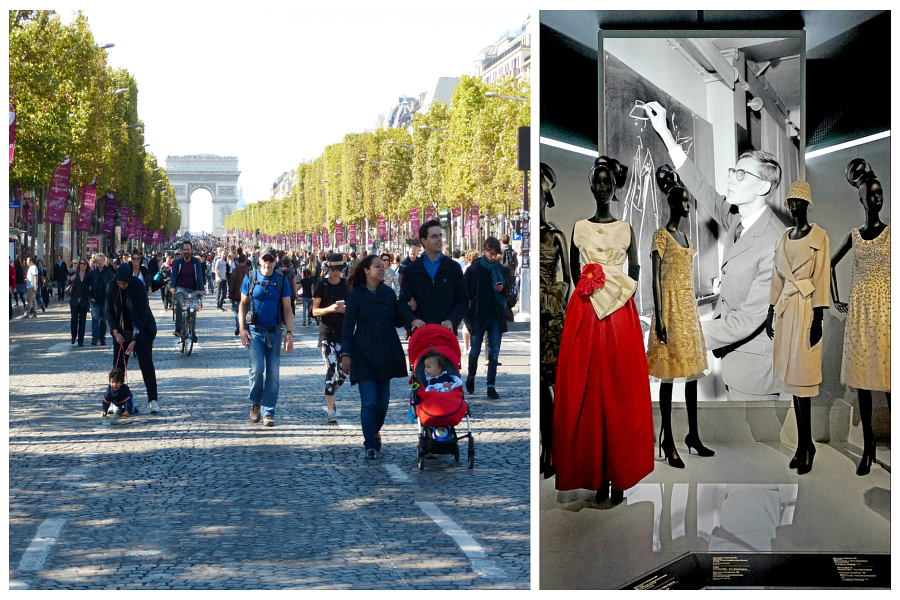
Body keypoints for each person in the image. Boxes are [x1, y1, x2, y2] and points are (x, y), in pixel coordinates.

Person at [644, 100, 784, 402]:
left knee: (755, 447)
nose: (731, 177)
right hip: (733, 359)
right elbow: (703, 189)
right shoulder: (738, 219)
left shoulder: (776, 242)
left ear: (763, 188)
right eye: (734, 171)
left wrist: (685, 333)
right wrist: (665, 133)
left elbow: (748, 319)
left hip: (754, 369)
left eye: (741, 175)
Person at [553, 156, 654, 504]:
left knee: (620, 391)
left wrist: (624, 292)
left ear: (614, 187)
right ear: (591, 185)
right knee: (588, 391)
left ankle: (619, 475)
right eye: (596, 181)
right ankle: (596, 474)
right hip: (584, 313)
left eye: (606, 182)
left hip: (619, 315)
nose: (601, 187)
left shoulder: (625, 228)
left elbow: (637, 266)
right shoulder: (579, 226)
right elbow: (572, 270)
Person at [647, 166, 713, 469]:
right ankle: (668, 439)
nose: (688, 206)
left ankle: (694, 436)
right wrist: (659, 317)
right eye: (684, 201)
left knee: (690, 374)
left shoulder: (685, 236)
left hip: (688, 309)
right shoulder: (660, 236)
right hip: (670, 309)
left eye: (688, 201)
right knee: (669, 374)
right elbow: (655, 279)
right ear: (674, 203)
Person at [831, 158, 890, 476]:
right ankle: (867, 449)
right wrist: (837, 300)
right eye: (871, 194)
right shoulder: (855, 236)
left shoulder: (892, 235)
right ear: (861, 197)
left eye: (880, 194)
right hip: (862, 316)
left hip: (887, 316)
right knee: (865, 385)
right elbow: (829, 264)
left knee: (891, 383)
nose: (877, 199)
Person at [766, 180, 830, 476]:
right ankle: (805, 444)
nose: (792, 206)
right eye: (789, 201)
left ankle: (807, 445)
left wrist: (819, 318)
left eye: (797, 202)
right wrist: (770, 311)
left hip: (805, 310)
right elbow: (777, 279)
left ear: (807, 204)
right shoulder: (782, 239)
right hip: (786, 310)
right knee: (792, 378)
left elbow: (820, 278)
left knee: (803, 378)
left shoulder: (819, 237)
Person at [340, 254, 407, 459]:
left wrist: (407, 310)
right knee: (369, 401)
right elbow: (348, 325)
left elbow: (396, 321)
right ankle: (369, 443)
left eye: (383, 265)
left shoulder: (388, 293)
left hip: (386, 350)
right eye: (377, 266)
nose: (382, 268)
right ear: (366, 271)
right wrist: (345, 354)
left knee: (383, 403)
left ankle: (375, 430)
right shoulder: (356, 295)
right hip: (363, 351)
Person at [238, 245, 294, 427]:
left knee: (273, 374)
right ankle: (255, 403)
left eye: (271, 260)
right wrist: (242, 329)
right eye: (265, 259)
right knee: (256, 370)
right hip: (255, 332)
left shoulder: (281, 280)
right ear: (259, 260)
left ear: (275, 261)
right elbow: (242, 304)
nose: (268, 263)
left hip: (275, 332)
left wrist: (289, 334)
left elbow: (288, 309)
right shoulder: (251, 277)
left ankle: (268, 412)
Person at [398, 220, 469, 336]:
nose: (439, 239)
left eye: (441, 236)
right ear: (423, 241)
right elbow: (403, 302)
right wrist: (412, 320)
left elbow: (463, 300)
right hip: (421, 334)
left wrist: (452, 320)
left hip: (446, 333)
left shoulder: (453, 268)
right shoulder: (411, 269)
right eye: (434, 236)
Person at [106, 262, 160, 414]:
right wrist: (116, 332)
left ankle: (153, 400)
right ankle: (116, 401)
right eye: (119, 283)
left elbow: (142, 315)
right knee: (118, 367)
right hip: (121, 331)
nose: (122, 286)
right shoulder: (111, 286)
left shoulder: (138, 286)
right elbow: (109, 310)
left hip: (143, 329)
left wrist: (135, 340)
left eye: (124, 283)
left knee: (146, 363)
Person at [463, 236, 512, 399]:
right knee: (475, 352)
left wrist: (502, 289)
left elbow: (509, 294)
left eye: (495, 254)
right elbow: (464, 293)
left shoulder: (500, 268)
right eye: (491, 253)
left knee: (494, 354)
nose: (493, 256)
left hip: (495, 317)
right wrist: (467, 316)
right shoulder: (474, 269)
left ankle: (491, 386)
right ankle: (471, 377)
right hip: (478, 316)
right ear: (485, 251)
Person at [313, 253, 350, 424]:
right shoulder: (322, 285)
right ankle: (331, 411)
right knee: (330, 369)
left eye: (340, 269)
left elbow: (354, 307)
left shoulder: (347, 285)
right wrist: (331, 309)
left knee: (343, 372)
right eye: (335, 269)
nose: (338, 272)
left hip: (343, 332)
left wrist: (346, 309)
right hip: (326, 332)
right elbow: (314, 311)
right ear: (328, 269)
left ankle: (330, 391)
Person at [170, 240, 205, 340]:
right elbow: (173, 275)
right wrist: (172, 287)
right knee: (179, 304)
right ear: (182, 250)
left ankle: (192, 331)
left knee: (193, 309)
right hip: (180, 288)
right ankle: (178, 329)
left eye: (188, 250)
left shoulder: (196, 262)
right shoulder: (177, 262)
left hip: (193, 289)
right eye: (184, 249)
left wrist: (202, 290)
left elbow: (199, 276)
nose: (186, 251)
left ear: (191, 250)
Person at [86, 253, 114, 346]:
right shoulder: (92, 274)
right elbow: (87, 286)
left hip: (105, 301)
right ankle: (95, 338)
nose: (101, 262)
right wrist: (90, 297)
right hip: (95, 300)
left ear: (105, 261)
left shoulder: (109, 274)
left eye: (102, 260)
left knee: (104, 320)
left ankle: (102, 338)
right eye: (99, 261)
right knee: (95, 319)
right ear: (96, 262)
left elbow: (113, 287)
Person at [68, 258, 91, 345]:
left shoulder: (88, 276)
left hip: (84, 301)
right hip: (74, 300)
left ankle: (81, 340)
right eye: (81, 264)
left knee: (82, 321)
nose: (82, 265)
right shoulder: (75, 274)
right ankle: (73, 336)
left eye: (84, 264)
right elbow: (68, 285)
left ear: (86, 265)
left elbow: (90, 287)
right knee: (74, 319)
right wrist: (70, 280)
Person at [229, 253, 251, 335]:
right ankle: (244, 326)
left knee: (236, 310)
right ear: (245, 261)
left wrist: (230, 295)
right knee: (246, 310)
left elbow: (232, 283)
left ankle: (238, 324)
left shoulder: (235, 270)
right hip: (246, 295)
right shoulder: (249, 271)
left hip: (237, 294)